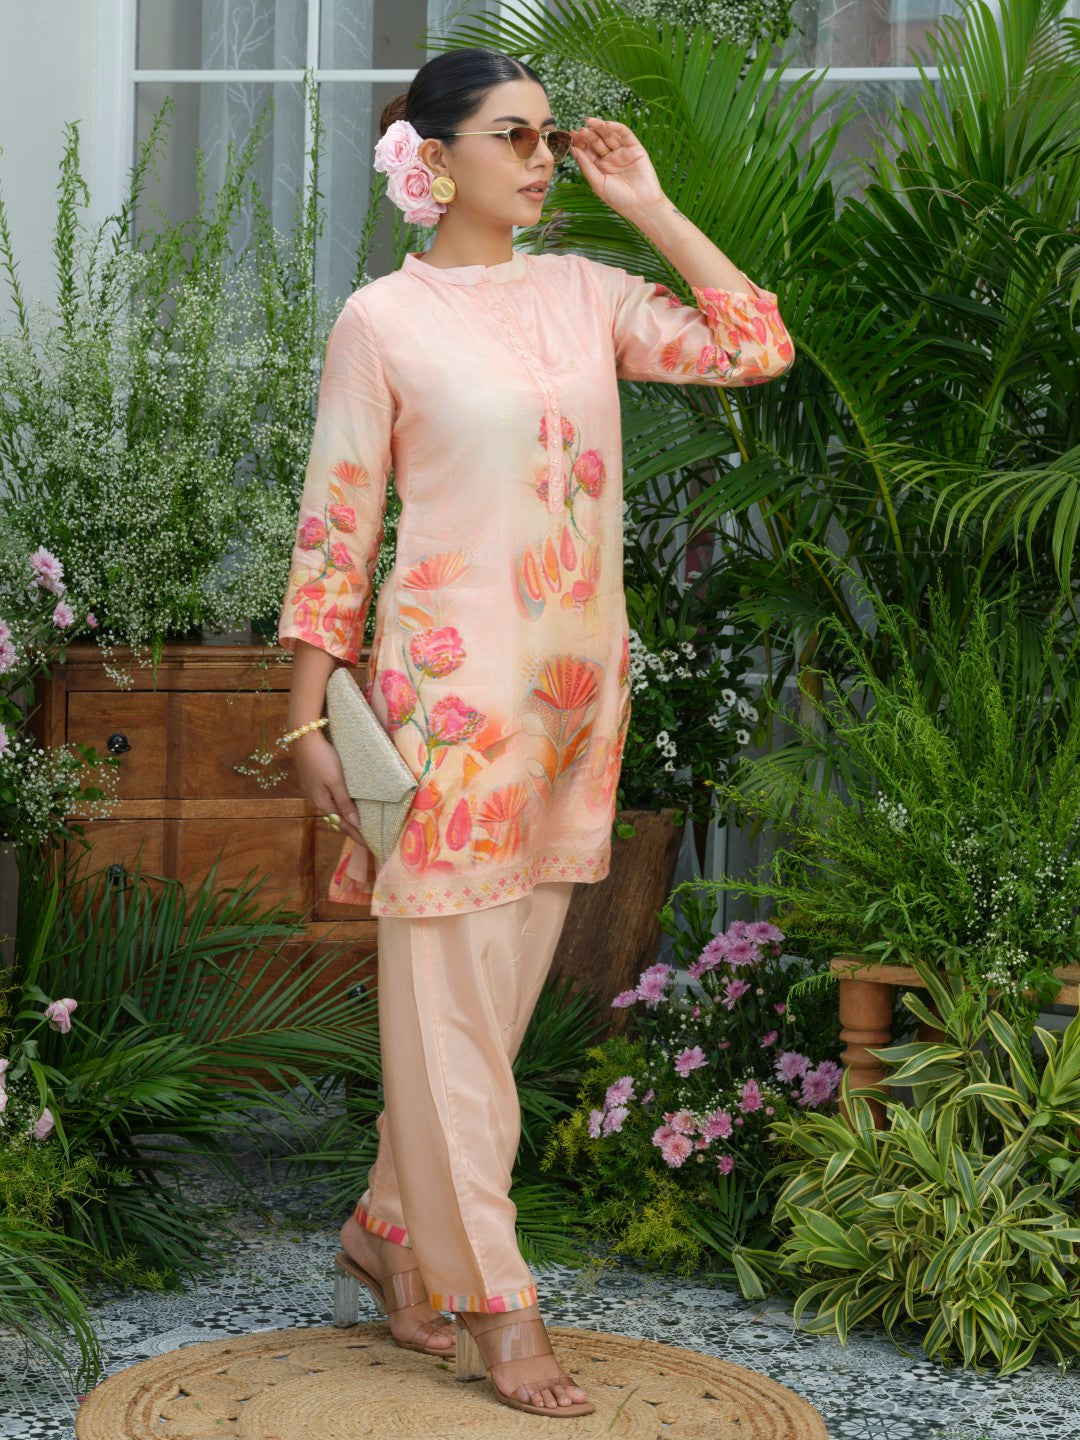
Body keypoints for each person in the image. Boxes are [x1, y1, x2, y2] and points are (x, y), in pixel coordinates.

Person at [275, 45, 794, 1420]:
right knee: (453, 1018)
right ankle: (498, 1310)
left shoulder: (585, 293)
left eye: (548, 134)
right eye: (512, 134)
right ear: (433, 157)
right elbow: (337, 526)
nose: (542, 157)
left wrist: (651, 209)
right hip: (444, 713)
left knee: (486, 1020)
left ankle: (387, 1229)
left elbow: (754, 345)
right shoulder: (382, 322)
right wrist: (307, 714)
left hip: (569, 712)